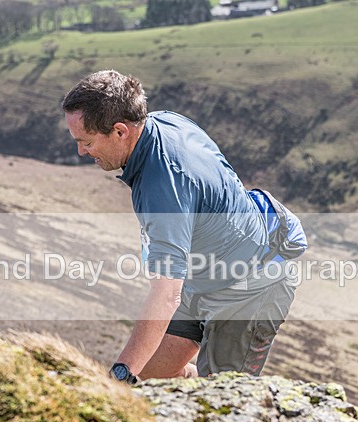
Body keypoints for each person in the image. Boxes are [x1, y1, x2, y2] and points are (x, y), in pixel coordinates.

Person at [62, 70, 299, 383]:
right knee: (150, 375)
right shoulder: (162, 121)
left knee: (220, 396)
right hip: (205, 273)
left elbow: (166, 295)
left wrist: (120, 377)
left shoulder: (162, 187)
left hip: (252, 286)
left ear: (120, 131)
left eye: (87, 142)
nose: (81, 151)